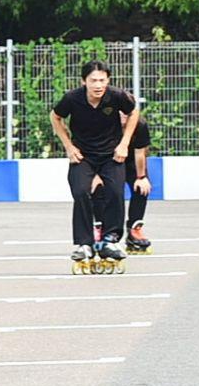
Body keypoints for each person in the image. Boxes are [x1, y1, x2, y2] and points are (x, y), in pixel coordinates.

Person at [51, 60, 140, 268]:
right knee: (81, 191)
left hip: (112, 154)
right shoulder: (72, 99)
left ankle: (110, 239)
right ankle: (84, 244)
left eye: (102, 80)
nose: (98, 85)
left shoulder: (117, 96)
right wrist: (68, 147)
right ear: (84, 82)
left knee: (116, 192)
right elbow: (55, 117)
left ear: (108, 80)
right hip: (83, 155)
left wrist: (124, 144)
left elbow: (134, 112)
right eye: (93, 81)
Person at [91, 113, 154, 253]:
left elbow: (140, 153)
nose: (123, 116)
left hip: (131, 160)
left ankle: (134, 229)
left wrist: (141, 177)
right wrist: (95, 174)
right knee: (99, 188)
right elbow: (94, 150)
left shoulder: (140, 125)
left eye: (127, 113)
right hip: (107, 160)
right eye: (120, 112)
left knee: (141, 187)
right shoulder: (103, 124)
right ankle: (101, 227)